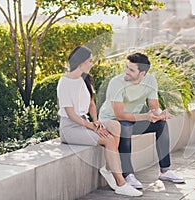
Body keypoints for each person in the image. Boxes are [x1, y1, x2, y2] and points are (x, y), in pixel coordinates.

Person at [57, 46, 142, 197]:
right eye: (90, 61)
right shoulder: (64, 82)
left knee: (115, 126)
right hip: (70, 128)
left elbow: (91, 104)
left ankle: (109, 168)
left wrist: (96, 121)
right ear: (81, 62)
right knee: (108, 140)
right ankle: (121, 183)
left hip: (85, 122)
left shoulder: (85, 80)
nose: (92, 64)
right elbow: (71, 114)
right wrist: (92, 126)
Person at [99, 52, 184, 189]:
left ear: (142, 74)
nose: (126, 71)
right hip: (111, 121)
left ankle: (165, 170)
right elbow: (120, 115)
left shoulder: (150, 81)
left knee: (161, 124)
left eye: (131, 70)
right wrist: (145, 116)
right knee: (125, 126)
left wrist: (160, 114)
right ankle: (128, 174)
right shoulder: (117, 82)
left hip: (132, 119)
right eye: (127, 67)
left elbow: (153, 107)